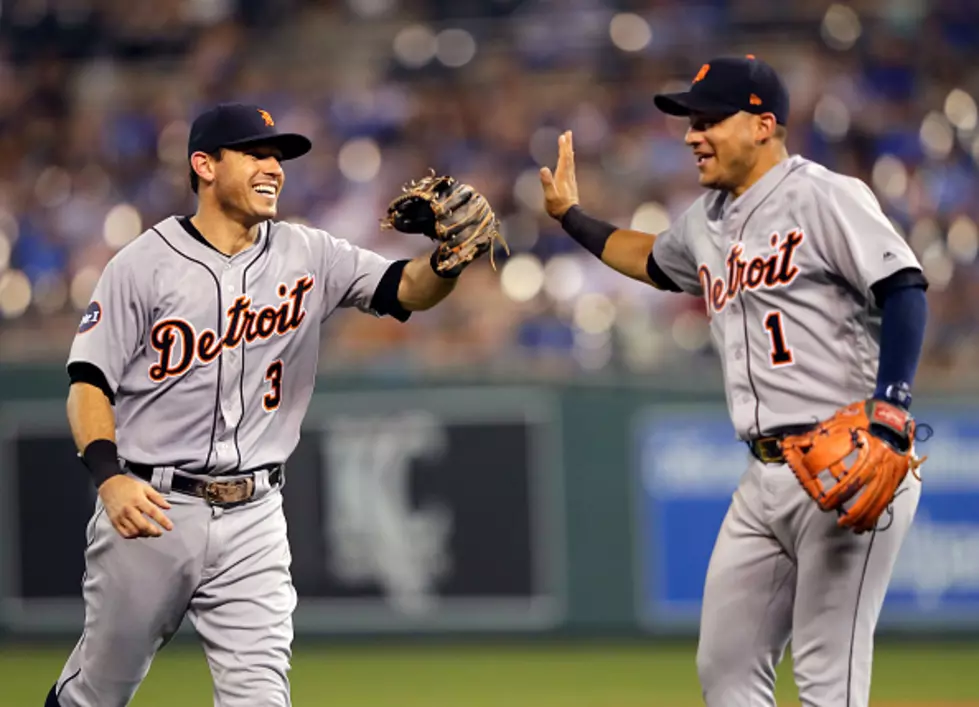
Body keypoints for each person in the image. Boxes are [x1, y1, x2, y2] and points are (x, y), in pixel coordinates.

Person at [47, 103, 493, 707]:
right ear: (204, 164)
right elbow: (88, 382)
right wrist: (108, 479)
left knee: (260, 697)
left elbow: (403, 288)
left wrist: (445, 263)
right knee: (95, 694)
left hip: (255, 514)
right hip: (154, 506)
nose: (274, 168)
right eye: (255, 153)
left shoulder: (308, 253)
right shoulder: (142, 265)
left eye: (278, 157)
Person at [540, 56, 929, 707]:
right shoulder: (705, 219)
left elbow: (903, 285)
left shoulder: (823, 194)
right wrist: (570, 216)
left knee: (826, 678)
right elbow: (650, 259)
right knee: (725, 668)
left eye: (708, 120)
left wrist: (890, 408)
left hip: (849, 459)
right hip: (762, 472)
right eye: (690, 122)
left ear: (763, 125)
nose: (692, 135)